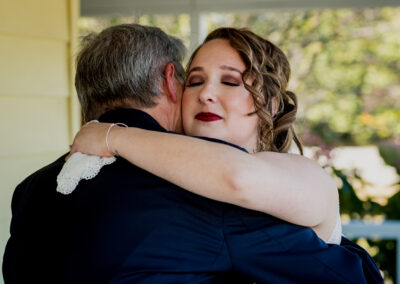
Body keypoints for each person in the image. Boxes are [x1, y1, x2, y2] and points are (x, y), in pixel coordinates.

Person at [3, 24, 382, 284]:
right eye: (194, 80)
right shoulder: (199, 192)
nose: (205, 94)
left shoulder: (32, 191)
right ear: (172, 82)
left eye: (230, 81)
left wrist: (111, 136)